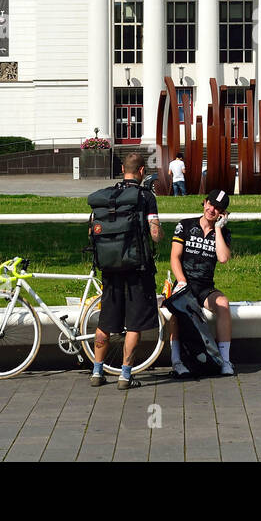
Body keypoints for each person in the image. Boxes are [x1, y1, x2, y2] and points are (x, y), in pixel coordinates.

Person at [90, 152, 162, 390]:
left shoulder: (108, 196)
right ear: (142, 171)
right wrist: (159, 235)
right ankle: (125, 375)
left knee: (105, 321)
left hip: (110, 268)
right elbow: (154, 234)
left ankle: (97, 372)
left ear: (123, 169)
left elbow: (93, 232)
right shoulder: (145, 197)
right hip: (137, 268)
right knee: (134, 324)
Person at [171, 189, 234, 377]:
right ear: (204, 202)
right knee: (175, 310)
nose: (212, 210)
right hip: (184, 283)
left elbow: (223, 258)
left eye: (218, 208)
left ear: (222, 213)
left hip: (205, 286)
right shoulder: (185, 225)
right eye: (211, 204)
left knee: (223, 304)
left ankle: (225, 361)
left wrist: (217, 229)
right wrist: (181, 282)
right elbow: (175, 257)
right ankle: (176, 361)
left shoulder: (223, 233)